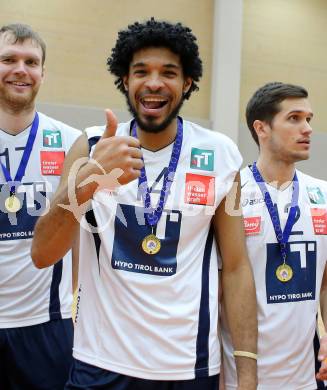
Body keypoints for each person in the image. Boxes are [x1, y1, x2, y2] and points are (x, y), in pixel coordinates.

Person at [31, 18, 257, 390]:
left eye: (168, 72)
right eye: (141, 72)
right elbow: (42, 253)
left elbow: (235, 267)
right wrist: (86, 182)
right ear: (125, 80)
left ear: (187, 83)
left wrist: (247, 373)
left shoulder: (220, 154)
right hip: (99, 363)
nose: (154, 83)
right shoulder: (90, 147)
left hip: (189, 368)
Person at [221, 82, 327, 389]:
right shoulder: (231, 193)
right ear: (261, 128)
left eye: (309, 119)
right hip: (240, 380)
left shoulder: (322, 194)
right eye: (294, 118)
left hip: (305, 380)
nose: (307, 128)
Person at [0, 23, 80, 389]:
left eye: (31, 62)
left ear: (43, 73)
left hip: (47, 323)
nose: (20, 69)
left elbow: (80, 233)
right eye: (8, 59)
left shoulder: (70, 141)